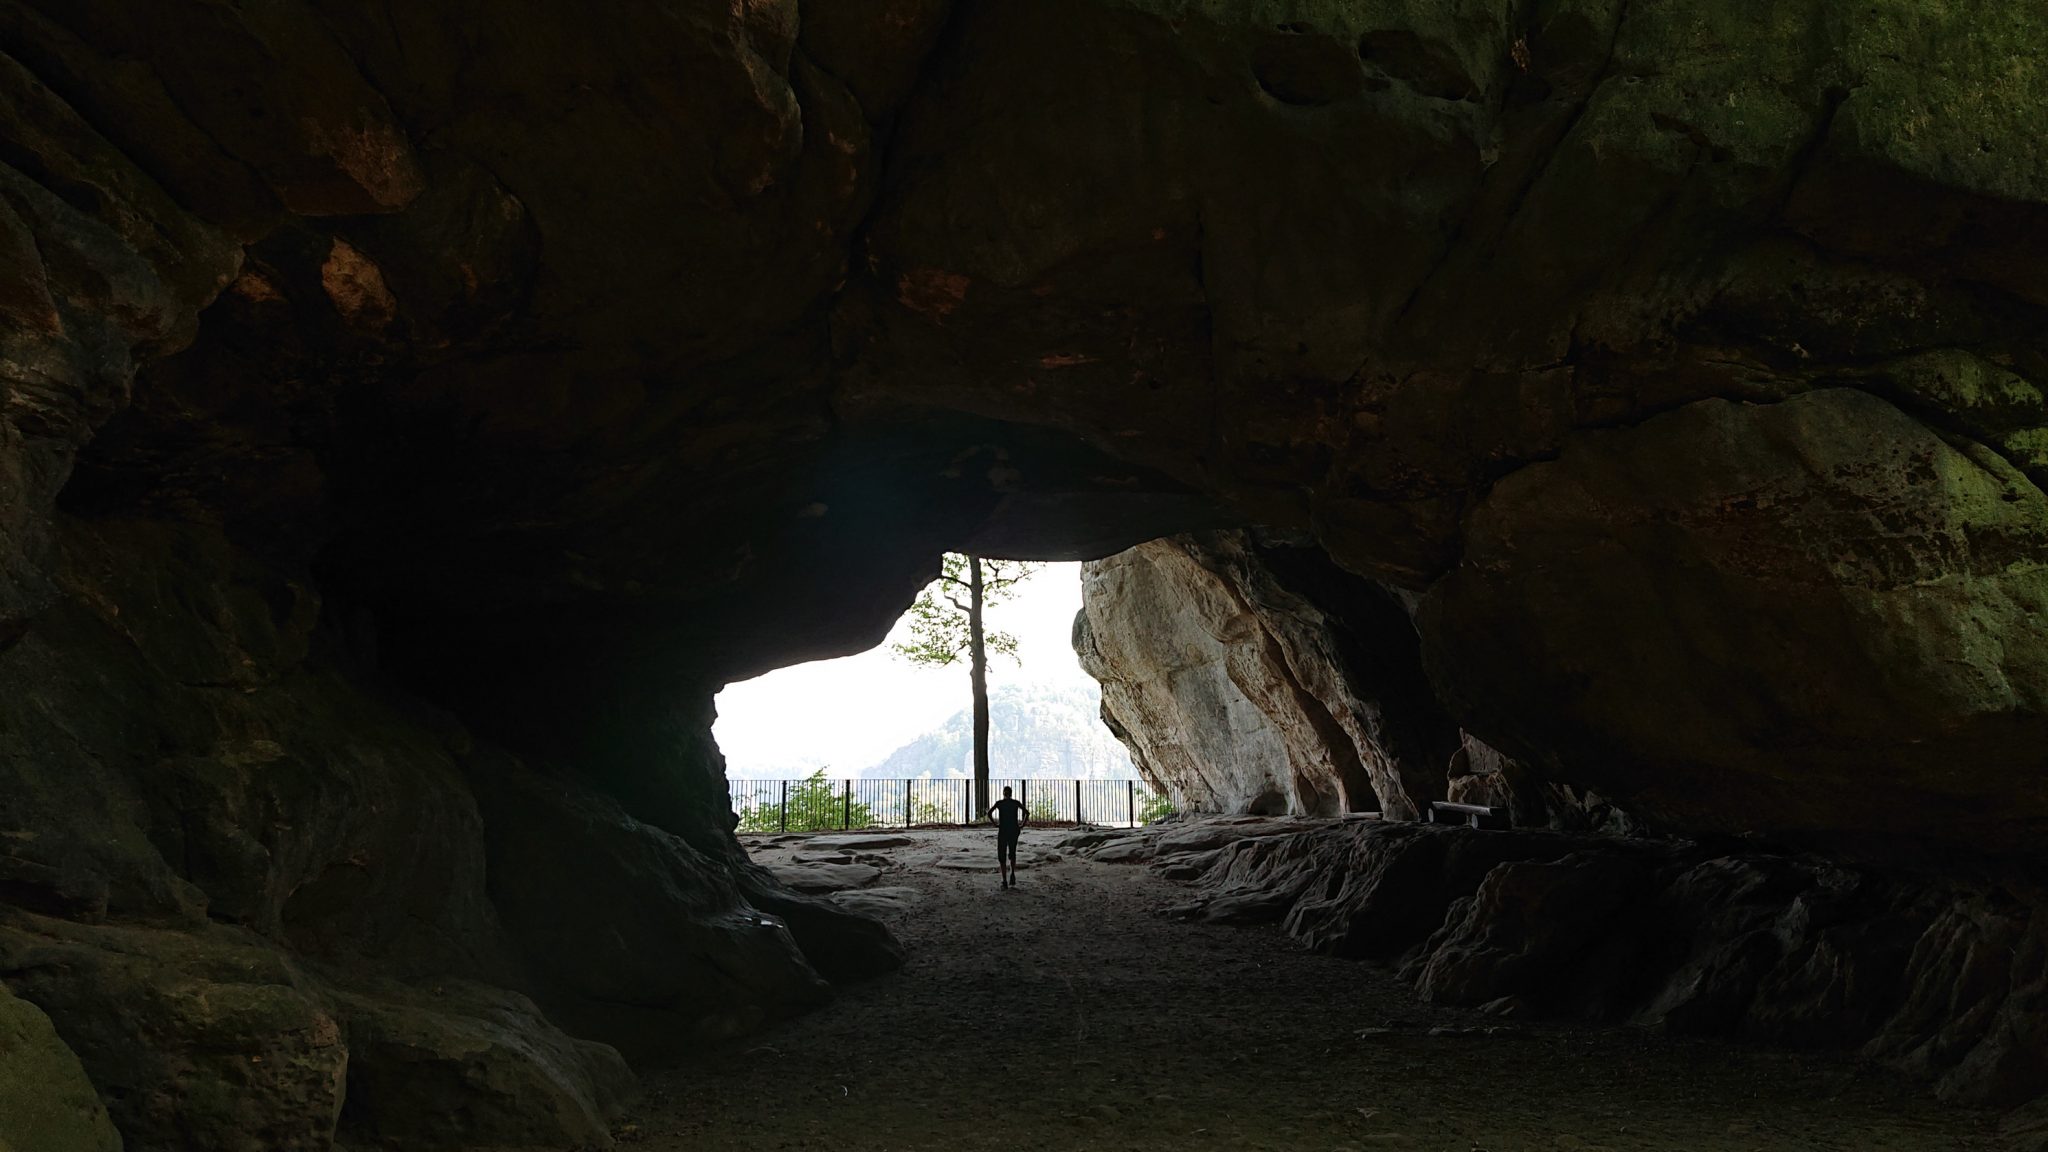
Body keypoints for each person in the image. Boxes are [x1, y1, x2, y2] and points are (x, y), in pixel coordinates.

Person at [987, 786, 1027, 889]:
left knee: (1002, 855)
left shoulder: (1000, 803)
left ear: (1003, 793)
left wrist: (995, 824)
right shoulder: (1015, 803)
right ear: (1011, 793)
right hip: (1013, 830)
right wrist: (1022, 825)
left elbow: (989, 813)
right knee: (1012, 852)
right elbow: (1027, 813)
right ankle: (1012, 873)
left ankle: (1004, 880)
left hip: (1003, 830)